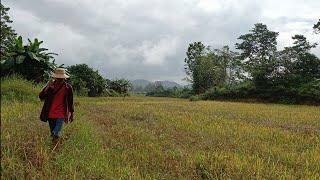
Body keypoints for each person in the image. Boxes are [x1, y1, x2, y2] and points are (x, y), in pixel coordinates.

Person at [39, 68, 74, 145]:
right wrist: (47, 87)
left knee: (56, 132)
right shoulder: (50, 86)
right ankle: (54, 147)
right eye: (58, 78)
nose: (59, 80)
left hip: (61, 114)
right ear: (55, 77)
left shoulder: (68, 88)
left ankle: (56, 146)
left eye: (61, 78)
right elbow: (41, 96)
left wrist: (71, 114)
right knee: (52, 134)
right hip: (50, 114)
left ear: (64, 78)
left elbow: (70, 101)